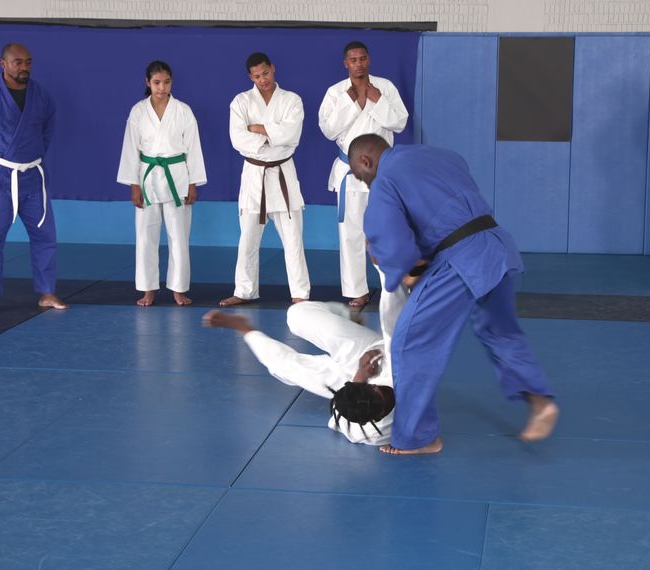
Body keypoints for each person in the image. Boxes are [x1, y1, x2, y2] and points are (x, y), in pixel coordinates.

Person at [348, 134, 559, 456]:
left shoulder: (385, 179)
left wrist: (395, 267)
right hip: (498, 244)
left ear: (365, 161)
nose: (366, 185)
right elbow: (440, 208)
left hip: (462, 258)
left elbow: (394, 245)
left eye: (363, 178)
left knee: (409, 340)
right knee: (499, 332)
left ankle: (419, 438)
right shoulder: (439, 153)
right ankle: (540, 401)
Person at [202, 279, 408, 445]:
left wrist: (358, 377)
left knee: (289, 365)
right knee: (298, 314)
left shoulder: (364, 428)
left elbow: (348, 406)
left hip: (347, 382)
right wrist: (389, 268)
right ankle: (346, 317)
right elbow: (394, 318)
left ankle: (244, 328)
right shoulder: (400, 371)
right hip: (372, 354)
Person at [0, 43, 69, 315]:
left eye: (28, 62)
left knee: (45, 236)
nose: (24, 67)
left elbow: (47, 133)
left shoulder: (42, 96)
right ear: (3, 64)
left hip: (33, 175)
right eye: (18, 62)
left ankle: (46, 292)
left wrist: (29, 158)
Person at [318, 41, 408, 308]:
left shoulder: (386, 88)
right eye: (353, 60)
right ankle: (357, 290)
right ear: (346, 63)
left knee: (387, 232)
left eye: (362, 59)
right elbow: (328, 130)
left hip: (382, 172)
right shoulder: (336, 93)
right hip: (350, 172)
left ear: (369, 60)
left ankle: (392, 288)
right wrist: (352, 102)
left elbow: (399, 123)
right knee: (351, 234)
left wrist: (378, 101)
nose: (358, 64)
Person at [220, 53, 310, 307]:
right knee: (247, 238)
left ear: (273, 68)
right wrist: (273, 134)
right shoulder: (241, 102)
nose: (263, 80)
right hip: (254, 175)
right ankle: (244, 290)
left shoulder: (292, 100)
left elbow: (292, 135)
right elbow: (238, 140)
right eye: (257, 76)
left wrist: (258, 128)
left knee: (293, 239)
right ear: (251, 76)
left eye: (266, 74)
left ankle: (300, 293)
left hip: (282, 174)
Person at [117, 61, 207, 307]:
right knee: (146, 237)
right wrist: (133, 184)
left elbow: (194, 148)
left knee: (179, 236)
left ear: (171, 82)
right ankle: (148, 289)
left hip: (177, 175)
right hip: (148, 176)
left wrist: (193, 183)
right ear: (148, 83)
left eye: (166, 82)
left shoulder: (183, 111)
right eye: (156, 82)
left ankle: (178, 288)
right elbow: (130, 148)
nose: (161, 87)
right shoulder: (138, 111)